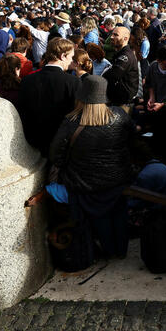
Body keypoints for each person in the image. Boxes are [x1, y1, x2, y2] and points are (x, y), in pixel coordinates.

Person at [49, 75, 137, 259]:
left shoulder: (71, 122)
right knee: (119, 214)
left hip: (84, 185)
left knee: (99, 219)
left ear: (82, 96)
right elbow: (132, 140)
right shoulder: (119, 115)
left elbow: (55, 155)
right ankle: (120, 250)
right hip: (117, 180)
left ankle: (107, 250)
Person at [17, 38, 79, 157]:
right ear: (63, 56)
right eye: (71, 57)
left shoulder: (27, 80)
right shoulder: (73, 82)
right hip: (60, 145)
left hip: (32, 142)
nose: (71, 61)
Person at [102, 26, 139, 108]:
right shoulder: (120, 52)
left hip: (122, 102)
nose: (111, 37)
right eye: (112, 34)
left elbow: (112, 75)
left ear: (125, 39)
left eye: (116, 35)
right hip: (116, 98)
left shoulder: (126, 56)